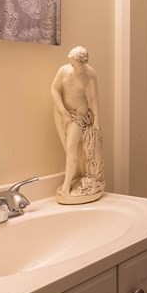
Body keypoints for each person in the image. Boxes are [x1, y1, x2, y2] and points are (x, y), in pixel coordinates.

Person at [51, 46, 104, 204]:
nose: (77, 68)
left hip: (78, 115)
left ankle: (67, 185)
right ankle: (75, 177)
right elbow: (54, 89)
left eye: (80, 64)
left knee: (71, 147)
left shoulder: (90, 74)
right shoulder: (63, 71)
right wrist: (63, 111)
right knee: (67, 149)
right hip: (62, 114)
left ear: (85, 61)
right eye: (74, 64)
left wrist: (96, 120)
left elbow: (94, 97)